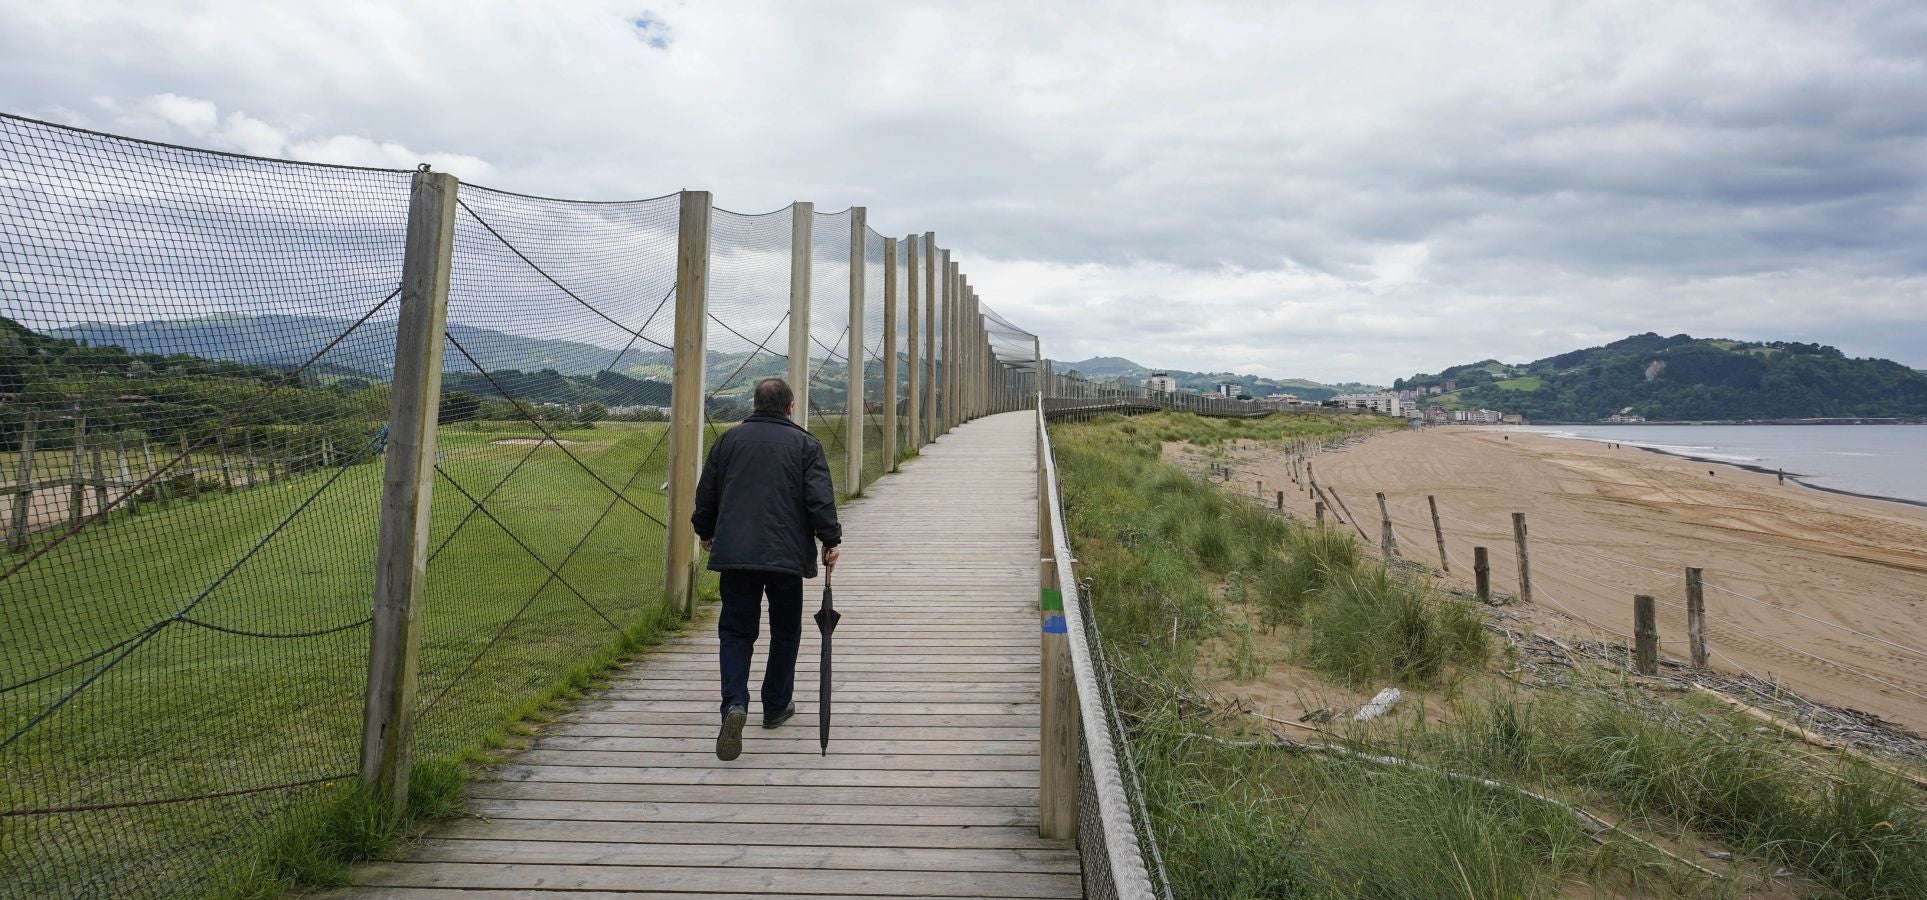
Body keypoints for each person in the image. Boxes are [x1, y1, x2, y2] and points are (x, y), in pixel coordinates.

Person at [692, 377, 841, 761]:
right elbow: (819, 499)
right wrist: (830, 540)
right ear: (790, 407)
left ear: (755, 404)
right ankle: (775, 705)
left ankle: (734, 705)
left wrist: (705, 531)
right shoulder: (807, 444)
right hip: (786, 557)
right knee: (785, 630)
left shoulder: (728, 441)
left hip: (737, 553)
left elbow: (707, 492)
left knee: (737, 632)